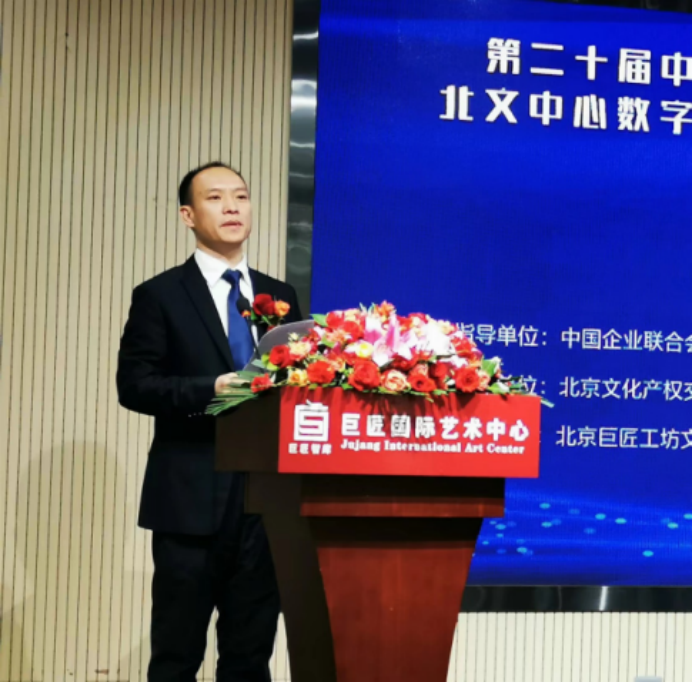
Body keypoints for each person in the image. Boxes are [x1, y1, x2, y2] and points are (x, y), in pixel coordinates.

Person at [117, 162, 303, 682]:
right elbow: (135, 385)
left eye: (240, 197)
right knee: (176, 657)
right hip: (189, 501)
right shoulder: (160, 295)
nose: (232, 208)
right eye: (216, 198)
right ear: (188, 215)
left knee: (250, 658)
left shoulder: (280, 295)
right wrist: (210, 389)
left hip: (265, 504)